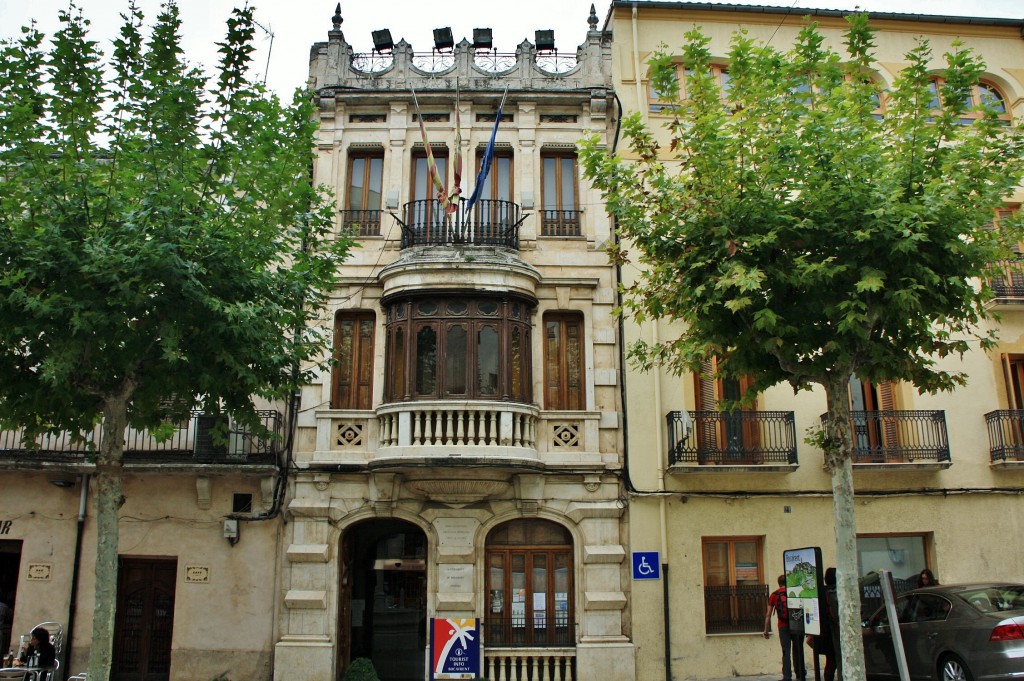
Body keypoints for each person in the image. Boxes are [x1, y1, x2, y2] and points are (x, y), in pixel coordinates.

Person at [765, 574, 805, 681]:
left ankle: (787, 677)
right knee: (798, 650)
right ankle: (800, 674)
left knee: (786, 651)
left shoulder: (774, 595)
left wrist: (766, 630)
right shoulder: (794, 592)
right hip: (796, 625)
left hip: (783, 627)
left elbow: (768, 614)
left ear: (778, 583)